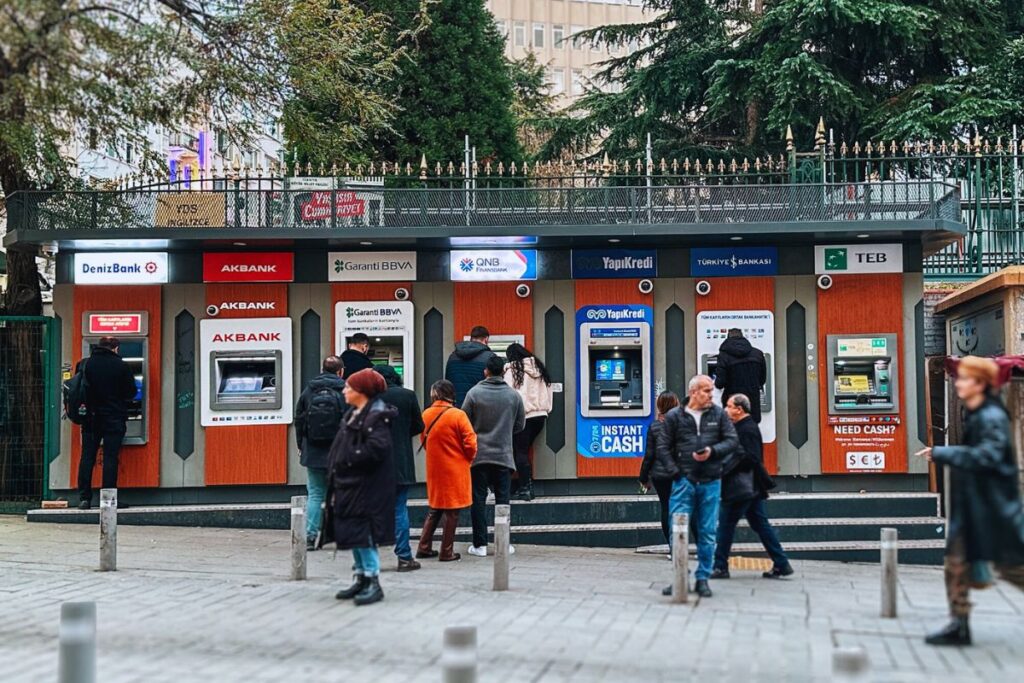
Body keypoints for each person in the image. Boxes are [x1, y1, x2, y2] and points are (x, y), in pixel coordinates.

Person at [915, 356, 1024, 646]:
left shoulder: (990, 416)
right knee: (956, 564)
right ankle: (959, 624)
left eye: (964, 378)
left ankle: (958, 623)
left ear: (979, 383)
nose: (958, 383)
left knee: (1014, 568)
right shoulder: (976, 412)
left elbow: (986, 457)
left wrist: (943, 453)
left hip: (992, 510)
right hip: (976, 506)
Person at [657, 374, 738, 598]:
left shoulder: (718, 414)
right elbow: (662, 446)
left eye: (712, 391)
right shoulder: (675, 416)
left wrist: (713, 452)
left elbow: (732, 440)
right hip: (684, 482)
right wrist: (675, 472)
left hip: (711, 481)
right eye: (707, 391)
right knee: (678, 530)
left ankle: (703, 578)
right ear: (694, 392)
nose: (712, 395)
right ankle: (679, 577)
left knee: (707, 531)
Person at [328, 369, 398, 606]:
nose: (344, 390)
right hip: (351, 485)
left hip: (366, 487)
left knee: (364, 534)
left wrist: (348, 458)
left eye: (349, 387)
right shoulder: (356, 413)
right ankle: (360, 576)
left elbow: (377, 450)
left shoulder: (375, 417)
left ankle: (372, 580)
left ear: (362, 392)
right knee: (354, 532)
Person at [712, 394, 793, 580]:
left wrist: (725, 468)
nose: (725, 409)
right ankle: (781, 563)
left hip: (741, 487)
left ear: (739, 409)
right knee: (760, 525)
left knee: (725, 525)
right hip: (750, 487)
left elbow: (751, 457)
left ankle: (720, 566)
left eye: (729, 405)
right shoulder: (742, 426)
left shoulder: (747, 428)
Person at [463, 354, 526, 557]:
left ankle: (480, 545)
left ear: (486, 371)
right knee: (503, 500)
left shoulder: (474, 393)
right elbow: (520, 425)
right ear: (504, 371)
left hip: (479, 456)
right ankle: (503, 543)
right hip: (503, 455)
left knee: (478, 500)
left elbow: (464, 423)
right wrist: (504, 432)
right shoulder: (514, 396)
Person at [416, 380, 477, 562]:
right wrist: (467, 458)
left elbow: (423, 439)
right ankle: (446, 551)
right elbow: (471, 442)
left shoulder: (426, 414)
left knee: (435, 508)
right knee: (452, 512)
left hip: (435, 467)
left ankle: (424, 546)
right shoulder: (458, 415)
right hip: (455, 468)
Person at [76, 337, 138, 509]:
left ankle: (84, 499)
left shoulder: (84, 364)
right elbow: (131, 392)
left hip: (90, 418)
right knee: (110, 457)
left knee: (87, 457)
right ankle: (108, 501)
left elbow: (79, 390)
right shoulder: (121, 366)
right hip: (113, 418)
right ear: (115, 348)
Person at [375, 364, 425, 572]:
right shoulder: (407, 395)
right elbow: (419, 426)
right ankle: (404, 557)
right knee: (399, 509)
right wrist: (402, 433)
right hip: (400, 462)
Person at [294, 355, 346, 550]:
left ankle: (310, 537)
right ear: (341, 371)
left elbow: (299, 419)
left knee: (316, 494)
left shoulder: (309, 390)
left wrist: (301, 444)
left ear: (322, 369)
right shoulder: (347, 390)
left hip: (314, 450)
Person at [503, 342, 553, 501]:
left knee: (520, 451)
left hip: (523, 416)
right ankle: (519, 485)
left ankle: (526, 489)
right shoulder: (539, 369)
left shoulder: (513, 371)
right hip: (540, 416)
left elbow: (507, 395)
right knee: (522, 450)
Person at [639, 392, 681, 545]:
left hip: (660, 476)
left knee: (666, 508)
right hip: (679, 474)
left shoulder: (655, 426)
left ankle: (672, 545)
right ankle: (681, 544)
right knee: (680, 507)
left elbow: (649, 455)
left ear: (660, 406)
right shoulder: (682, 424)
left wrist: (643, 478)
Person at [714, 328, 767, 423]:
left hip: (732, 403)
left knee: (733, 434)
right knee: (750, 432)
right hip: (752, 402)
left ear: (728, 338)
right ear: (743, 337)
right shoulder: (758, 354)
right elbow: (762, 380)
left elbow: (719, 383)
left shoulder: (724, 356)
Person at [445, 325, 498, 407]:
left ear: (471, 338)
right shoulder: (490, 357)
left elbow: (447, 382)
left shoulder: (453, 356)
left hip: (456, 407)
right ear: (486, 339)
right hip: (479, 408)